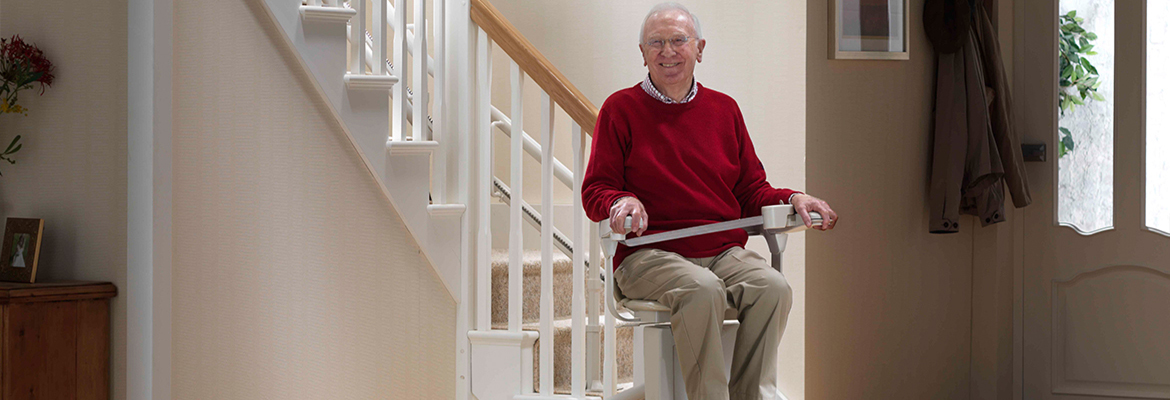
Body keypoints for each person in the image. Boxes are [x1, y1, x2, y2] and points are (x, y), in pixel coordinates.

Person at [580, 3, 838, 399]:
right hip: (646, 254)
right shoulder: (620, 109)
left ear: (699, 48)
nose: (668, 51)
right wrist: (621, 202)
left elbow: (751, 191)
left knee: (773, 288)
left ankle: (750, 395)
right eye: (656, 42)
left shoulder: (724, 110)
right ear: (642, 52)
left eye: (679, 40)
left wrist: (793, 197)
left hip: (721, 251)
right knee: (702, 289)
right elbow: (596, 190)